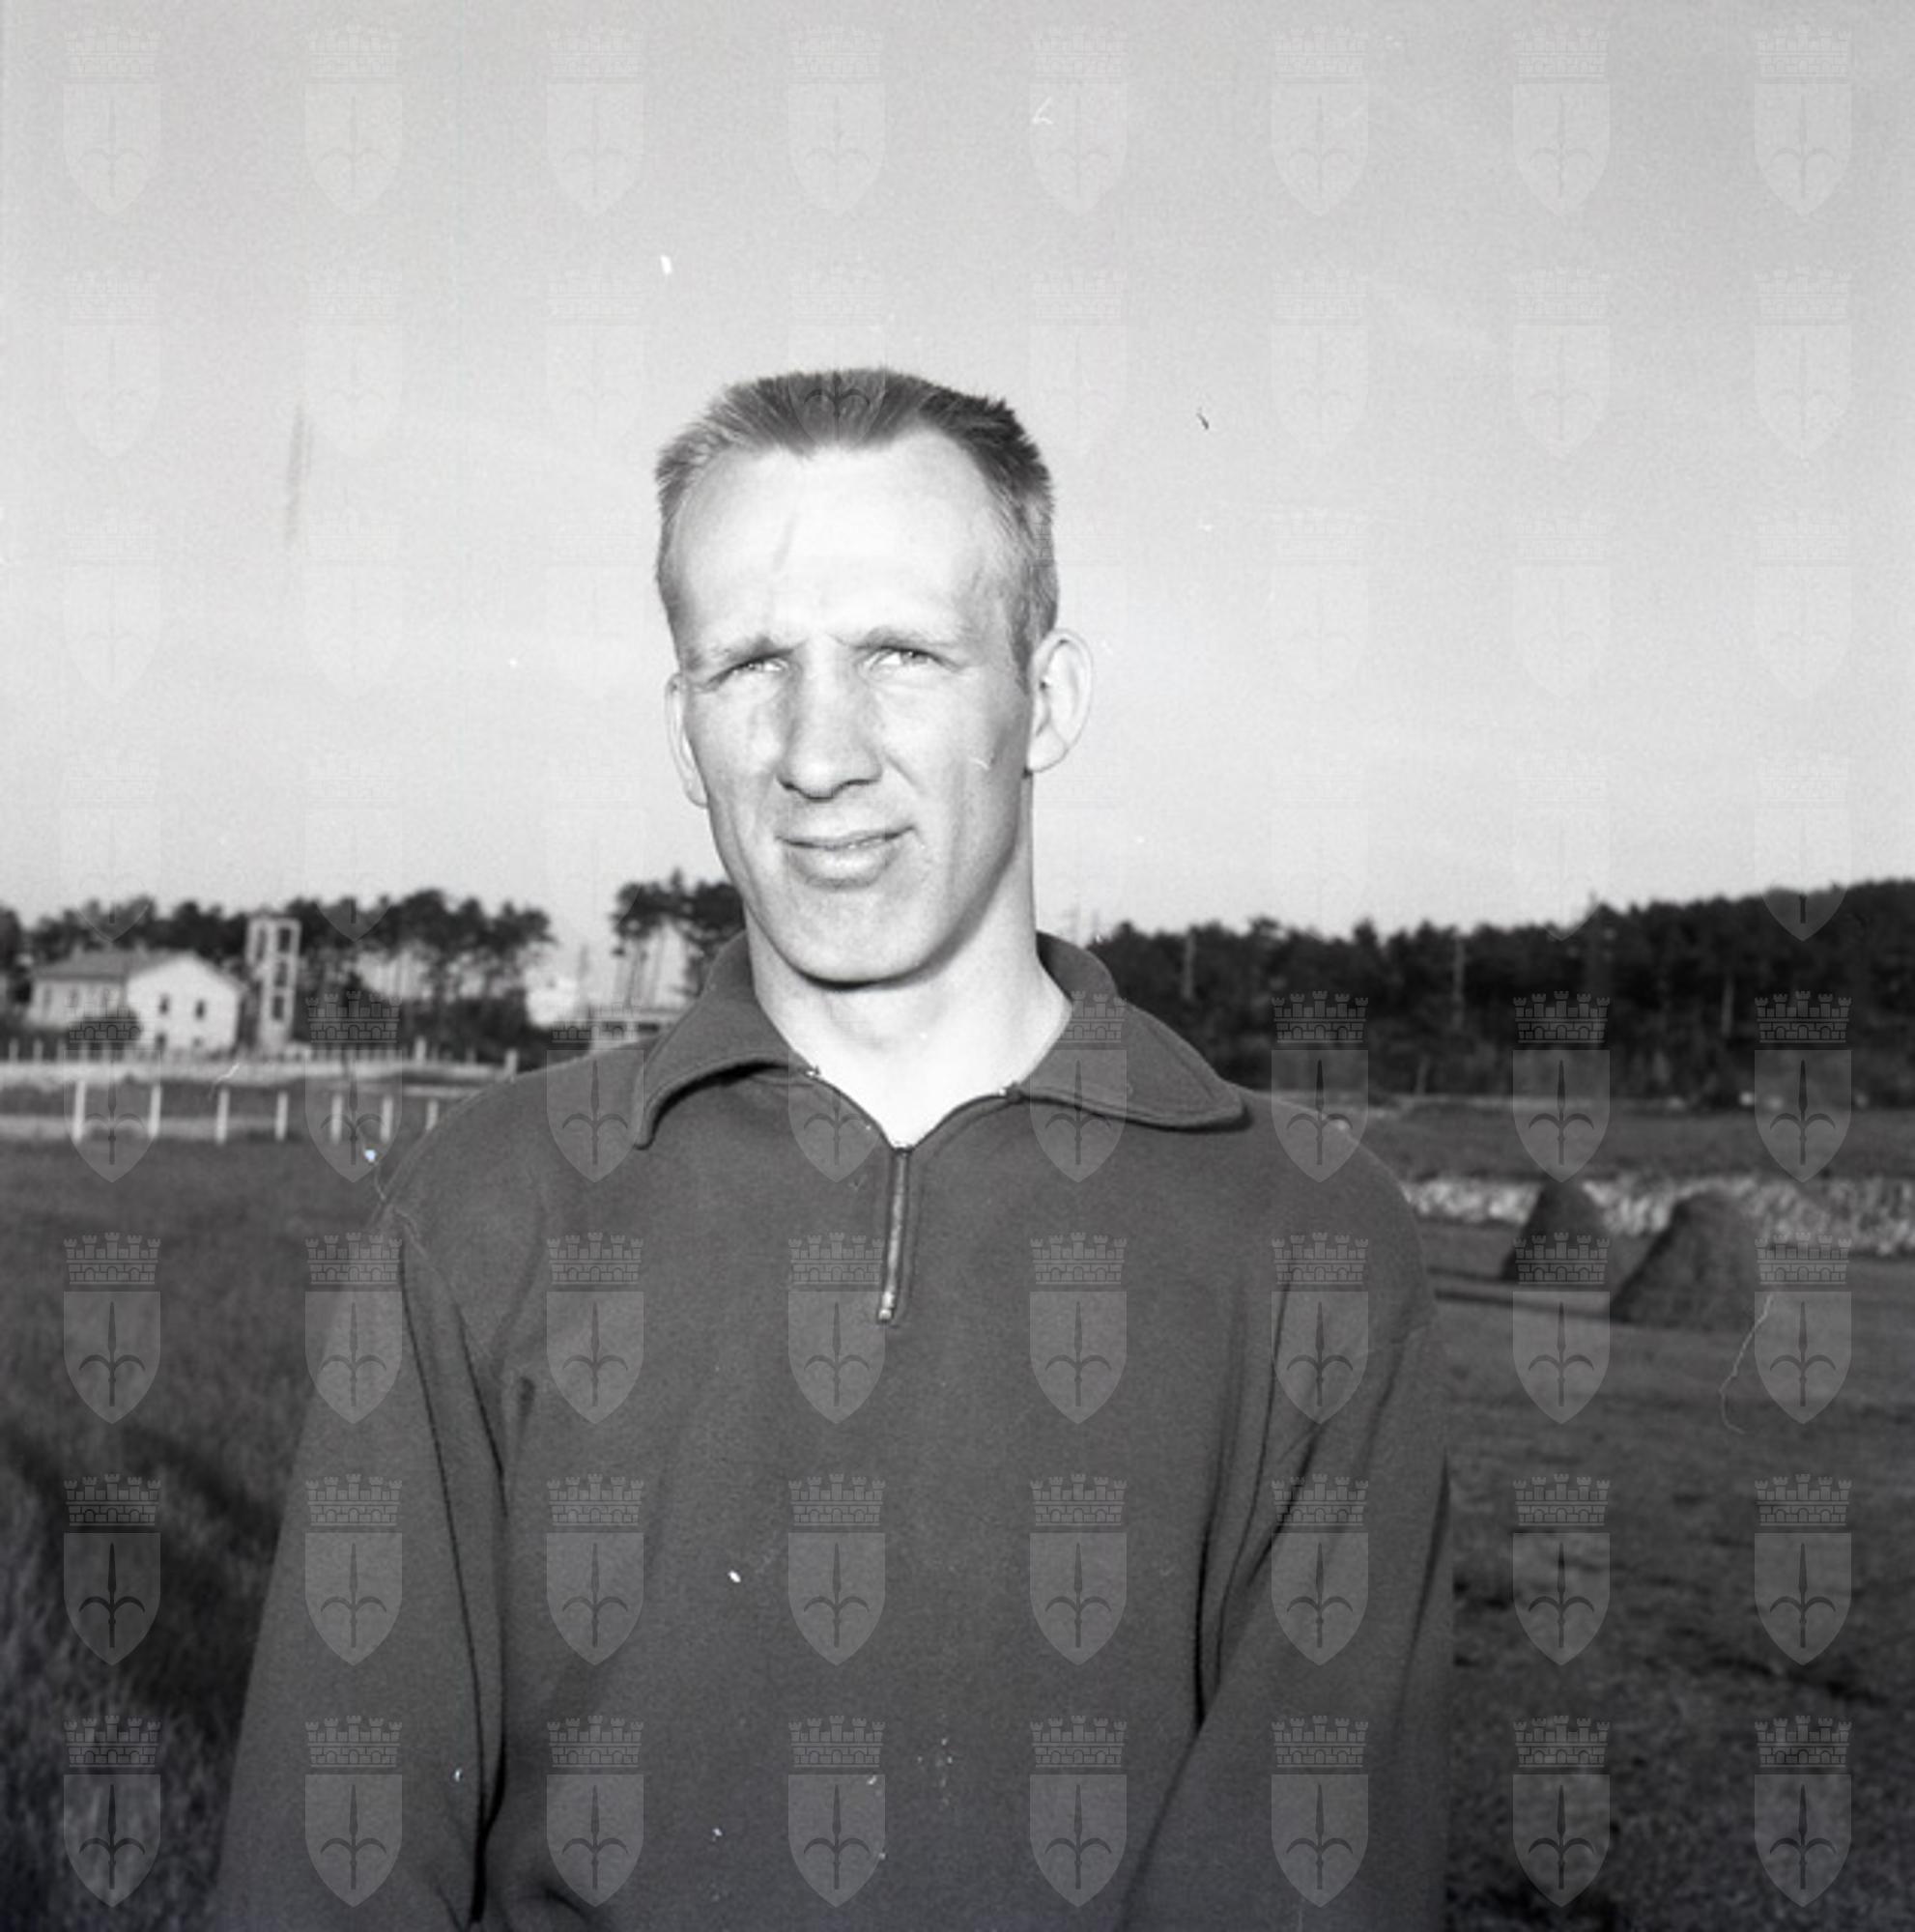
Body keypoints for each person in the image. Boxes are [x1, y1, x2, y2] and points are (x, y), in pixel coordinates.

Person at [214, 368, 1448, 1927]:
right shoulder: (483, 1207)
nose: (817, 753)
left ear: (1047, 700)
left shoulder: (1310, 1240)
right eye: (749, 664)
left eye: (900, 656)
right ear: (683, 729)